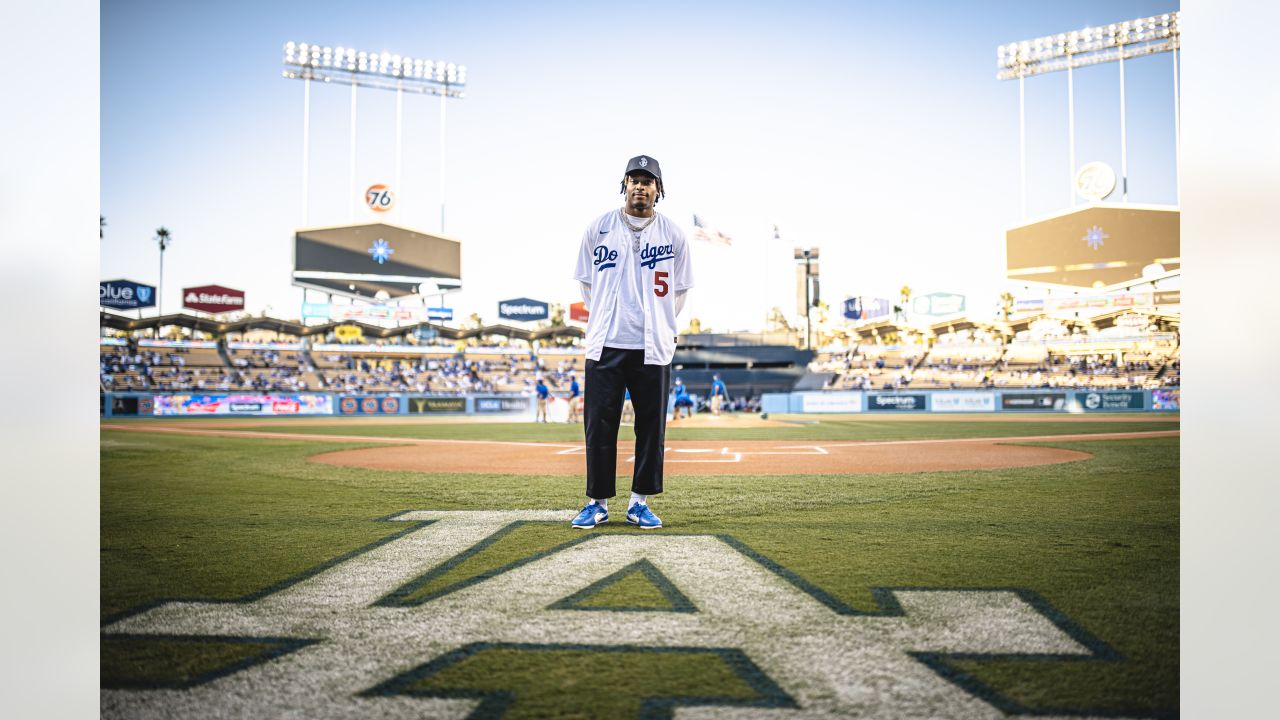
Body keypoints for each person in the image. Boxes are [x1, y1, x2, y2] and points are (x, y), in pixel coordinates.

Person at [570, 154, 693, 531]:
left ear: (659, 190)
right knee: (599, 426)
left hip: (653, 347)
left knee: (651, 428)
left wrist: (656, 322)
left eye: (648, 181)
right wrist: (611, 317)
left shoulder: (673, 234)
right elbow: (587, 286)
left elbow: (680, 290)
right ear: (623, 185)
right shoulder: (599, 228)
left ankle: (639, 503)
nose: (640, 186)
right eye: (634, 179)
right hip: (605, 343)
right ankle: (598, 502)